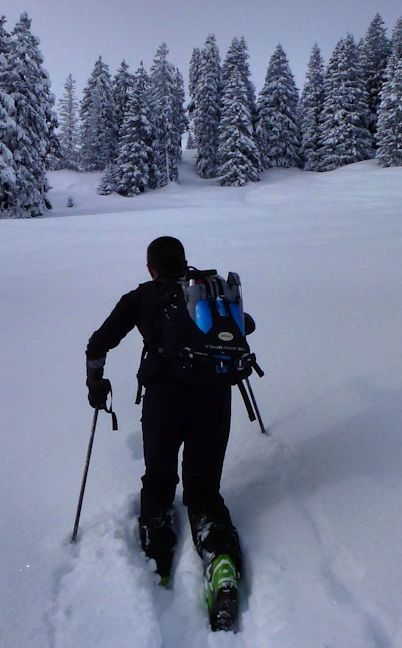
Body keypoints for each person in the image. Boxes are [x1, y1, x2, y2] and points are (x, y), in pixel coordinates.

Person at [84, 236, 250, 614]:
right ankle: (219, 558)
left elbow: (98, 343)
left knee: (159, 482)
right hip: (213, 396)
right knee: (204, 492)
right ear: (185, 261)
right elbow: (245, 327)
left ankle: (158, 555)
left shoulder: (140, 297)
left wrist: (96, 382)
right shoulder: (209, 293)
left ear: (150, 269)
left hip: (163, 403)